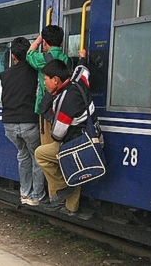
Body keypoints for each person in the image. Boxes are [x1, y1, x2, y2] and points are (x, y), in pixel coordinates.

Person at [34, 50, 91, 215]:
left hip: (76, 144)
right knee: (75, 167)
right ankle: (71, 208)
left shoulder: (64, 100)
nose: (44, 83)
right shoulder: (79, 82)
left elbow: (57, 135)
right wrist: (82, 58)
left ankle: (62, 187)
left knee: (42, 154)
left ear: (56, 80)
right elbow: (83, 71)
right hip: (89, 138)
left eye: (45, 80)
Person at [0, 37, 46, 207]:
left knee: (22, 155)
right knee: (37, 157)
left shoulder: (4, 75)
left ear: (13, 56)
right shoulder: (36, 72)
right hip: (28, 122)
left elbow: (2, 99)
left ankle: (24, 194)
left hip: (9, 124)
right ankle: (36, 195)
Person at [27, 25, 70, 144]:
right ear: (61, 43)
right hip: (65, 106)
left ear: (44, 42)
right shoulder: (66, 59)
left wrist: (40, 38)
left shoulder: (42, 59)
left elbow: (29, 53)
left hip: (47, 106)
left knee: (47, 145)